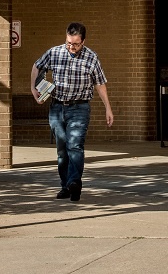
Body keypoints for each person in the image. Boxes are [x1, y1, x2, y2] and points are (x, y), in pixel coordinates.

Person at [31, 22, 113, 202]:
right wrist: (33, 87)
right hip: (57, 107)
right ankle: (65, 186)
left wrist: (108, 107)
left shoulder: (91, 58)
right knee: (62, 150)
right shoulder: (55, 52)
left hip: (79, 108)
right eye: (69, 43)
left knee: (75, 145)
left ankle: (75, 183)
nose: (71, 47)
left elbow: (100, 84)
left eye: (75, 44)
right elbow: (37, 66)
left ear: (83, 41)